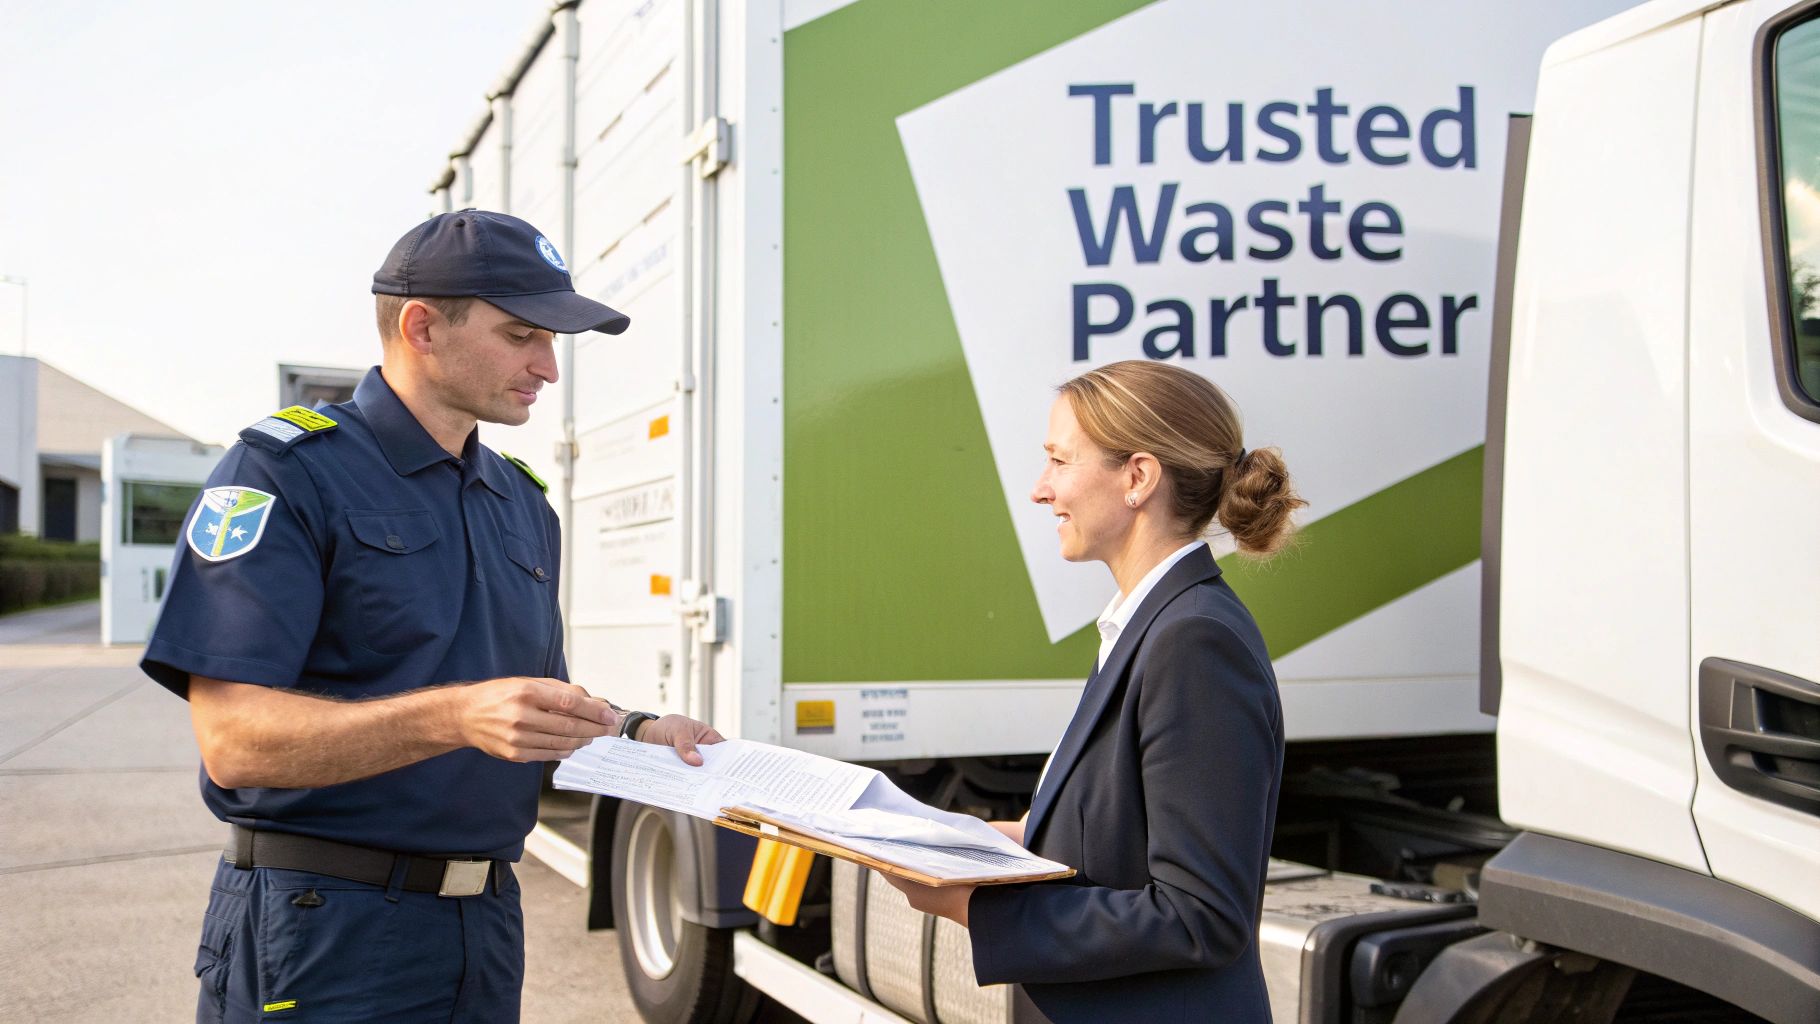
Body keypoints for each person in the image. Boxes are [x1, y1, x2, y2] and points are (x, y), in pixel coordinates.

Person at [141, 209, 723, 1024]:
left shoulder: (519, 502)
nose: (548, 367)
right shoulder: (286, 473)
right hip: (323, 926)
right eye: (522, 334)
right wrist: (456, 716)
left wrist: (633, 732)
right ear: (422, 327)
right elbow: (235, 741)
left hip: (482, 926)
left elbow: (527, 709)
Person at [887, 359, 1304, 1022]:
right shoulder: (1153, 623)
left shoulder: (1193, 641)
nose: (1040, 489)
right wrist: (998, 841)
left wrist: (973, 904)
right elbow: (1126, 832)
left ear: (1137, 478)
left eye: (1058, 460)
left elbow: (1199, 916)